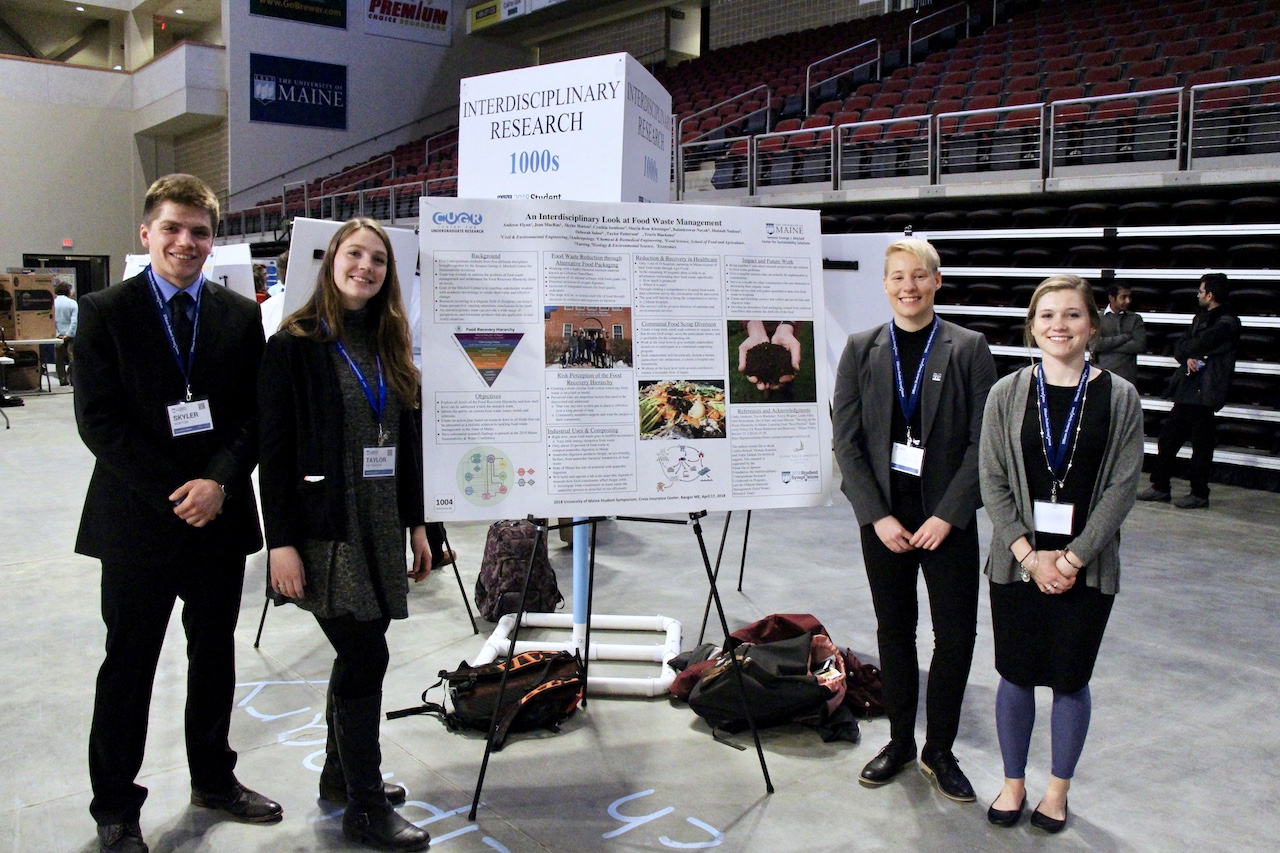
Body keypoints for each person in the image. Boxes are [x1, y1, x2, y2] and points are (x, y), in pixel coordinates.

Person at [74, 174, 280, 853]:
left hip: (217, 519)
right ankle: (115, 806)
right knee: (128, 664)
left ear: (213, 239)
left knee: (213, 656)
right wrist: (180, 490)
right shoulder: (106, 311)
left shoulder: (238, 315)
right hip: (138, 520)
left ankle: (213, 779)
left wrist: (218, 482)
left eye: (198, 231)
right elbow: (100, 422)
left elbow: (253, 415)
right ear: (146, 232)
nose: (185, 242)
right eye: (172, 228)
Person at [258, 218, 432, 852]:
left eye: (378, 259)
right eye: (354, 254)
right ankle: (364, 805)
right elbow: (274, 453)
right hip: (327, 527)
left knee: (361, 652)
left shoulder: (390, 342)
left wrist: (420, 524)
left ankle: (341, 778)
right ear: (331, 261)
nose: (366, 267)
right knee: (365, 655)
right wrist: (280, 543)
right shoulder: (294, 344)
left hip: (382, 522)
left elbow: (408, 444)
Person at [832, 238, 997, 802]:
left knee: (955, 635)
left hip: (947, 519)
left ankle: (940, 749)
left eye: (920, 275)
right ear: (884, 285)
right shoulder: (860, 349)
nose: (909, 286)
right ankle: (901, 740)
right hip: (886, 521)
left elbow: (983, 443)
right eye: (898, 276)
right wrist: (876, 516)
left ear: (937, 281)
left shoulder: (969, 347)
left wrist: (949, 514)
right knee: (894, 631)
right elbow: (847, 443)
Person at [979, 274, 1144, 834]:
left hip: (1087, 568)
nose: (1059, 325)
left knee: (1070, 679)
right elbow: (992, 480)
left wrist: (1072, 559)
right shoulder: (1005, 394)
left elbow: (1122, 487)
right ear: (1032, 326)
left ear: (1092, 325)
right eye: (1047, 315)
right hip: (1017, 564)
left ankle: (1056, 792)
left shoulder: (1120, 397)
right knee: (1016, 674)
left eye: (1072, 314)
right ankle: (1013, 783)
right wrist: (1030, 557)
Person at [1138, 273, 1240, 509]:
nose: (1197, 295)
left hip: (1206, 391)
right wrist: (1188, 357)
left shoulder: (1227, 322)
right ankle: (1160, 486)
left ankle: (1199, 493)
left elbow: (1200, 343)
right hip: (1189, 389)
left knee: (1201, 446)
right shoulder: (1200, 317)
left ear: (1210, 295)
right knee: (1168, 439)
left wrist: (1191, 351)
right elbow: (1180, 347)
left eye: (1201, 291)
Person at [1091, 282, 1145, 385]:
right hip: (1101, 375)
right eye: (1123, 297)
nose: (1128, 301)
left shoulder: (1135, 319)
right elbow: (1095, 344)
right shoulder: (1098, 318)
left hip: (1127, 378)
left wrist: (1107, 346)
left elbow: (1139, 345)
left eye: (1129, 297)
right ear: (1111, 298)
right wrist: (1124, 337)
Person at [54, 281, 78, 385]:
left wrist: (57, 333)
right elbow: (74, 321)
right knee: (72, 358)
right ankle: (73, 379)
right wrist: (69, 334)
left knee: (59, 359)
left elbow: (51, 320)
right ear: (67, 291)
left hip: (57, 335)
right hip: (71, 335)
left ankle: (62, 379)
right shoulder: (72, 303)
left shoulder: (53, 303)